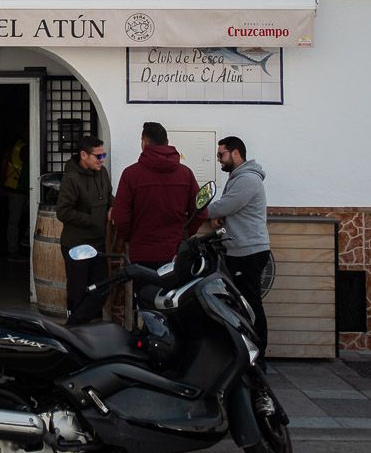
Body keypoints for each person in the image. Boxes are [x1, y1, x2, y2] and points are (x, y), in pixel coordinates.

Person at [209, 135, 271, 357]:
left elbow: (227, 205)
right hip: (242, 250)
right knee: (243, 303)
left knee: (250, 304)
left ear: (235, 153)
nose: (219, 159)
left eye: (221, 154)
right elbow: (233, 209)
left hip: (248, 251)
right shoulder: (239, 178)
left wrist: (201, 211)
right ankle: (248, 351)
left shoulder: (247, 180)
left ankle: (258, 354)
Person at [111, 122, 204, 269]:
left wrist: (132, 238)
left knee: (146, 292)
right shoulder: (185, 174)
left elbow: (121, 217)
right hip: (176, 252)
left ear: (144, 142)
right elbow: (201, 211)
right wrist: (184, 234)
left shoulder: (131, 174)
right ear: (167, 143)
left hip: (142, 253)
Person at [56, 135, 112, 324]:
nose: (102, 159)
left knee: (101, 288)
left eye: (103, 155)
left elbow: (108, 197)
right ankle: (74, 329)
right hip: (77, 244)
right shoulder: (71, 179)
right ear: (83, 155)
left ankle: (91, 330)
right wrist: (92, 219)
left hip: (98, 242)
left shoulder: (102, 173)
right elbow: (63, 212)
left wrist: (113, 207)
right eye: (98, 156)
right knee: (78, 291)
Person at [0, 135, 29, 260]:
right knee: (15, 221)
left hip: (15, 188)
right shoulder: (24, 149)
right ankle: (14, 250)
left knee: (15, 221)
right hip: (18, 189)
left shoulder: (15, 147)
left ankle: (17, 247)